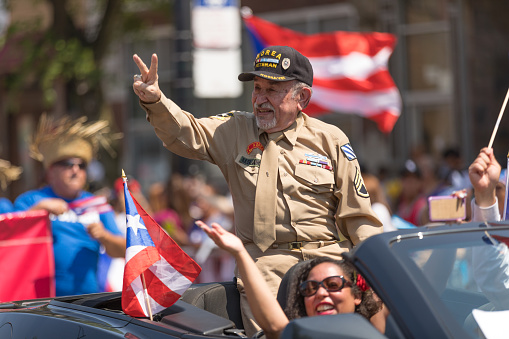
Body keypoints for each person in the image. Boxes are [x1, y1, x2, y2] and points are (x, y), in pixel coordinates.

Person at [132, 46, 382, 335]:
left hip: (327, 271)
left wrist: (372, 278)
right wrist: (156, 101)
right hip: (265, 270)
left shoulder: (330, 139)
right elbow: (185, 133)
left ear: (302, 97)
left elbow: (359, 219)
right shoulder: (236, 130)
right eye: (257, 88)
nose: (260, 99)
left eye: (272, 90)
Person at [197, 220, 382, 339]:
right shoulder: (300, 335)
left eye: (333, 285)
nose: (321, 293)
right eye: (310, 289)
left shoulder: (377, 332)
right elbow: (274, 326)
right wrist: (240, 252)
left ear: (357, 294)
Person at [14, 114, 125, 296]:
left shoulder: (96, 204)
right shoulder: (30, 200)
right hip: (39, 303)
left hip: (88, 304)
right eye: (67, 164)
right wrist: (39, 210)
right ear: (50, 171)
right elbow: (10, 239)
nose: (75, 170)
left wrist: (104, 236)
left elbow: (123, 250)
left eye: (81, 165)